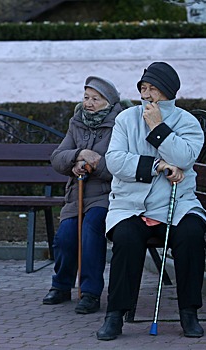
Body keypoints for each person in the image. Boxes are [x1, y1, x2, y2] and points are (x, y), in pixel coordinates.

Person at [96, 62, 206, 340]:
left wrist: (158, 127)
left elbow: (184, 157)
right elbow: (115, 161)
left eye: (153, 89)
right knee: (127, 238)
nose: (146, 95)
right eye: (143, 88)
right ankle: (115, 315)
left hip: (176, 204)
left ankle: (189, 313)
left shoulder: (187, 123)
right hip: (131, 206)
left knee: (192, 234)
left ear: (168, 92)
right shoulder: (125, 119)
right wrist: (157, 165)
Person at [42, 76, 124, 314]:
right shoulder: (77, 122)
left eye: (95, 99)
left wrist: (93, 164)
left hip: (107, 196)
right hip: (76, 195)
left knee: (90, 231)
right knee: (65, 237)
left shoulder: (120, 124)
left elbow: (120, 164)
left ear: (108, 102)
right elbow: (58, 158)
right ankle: (61, 285)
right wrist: (78, 156)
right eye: (86, 97)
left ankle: (90, 293)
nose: (88, 103)